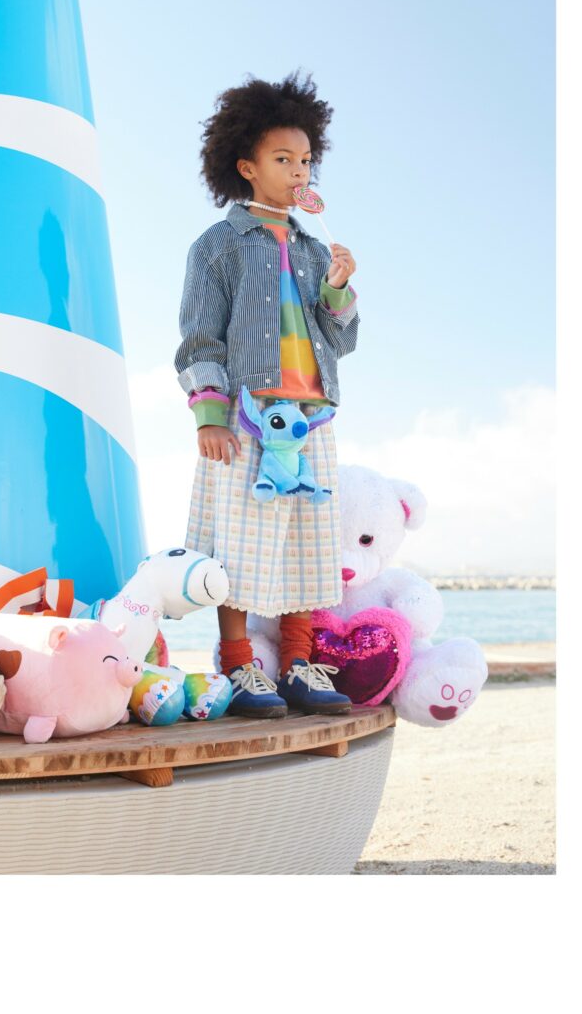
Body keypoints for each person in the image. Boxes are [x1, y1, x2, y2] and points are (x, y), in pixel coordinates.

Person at [176, 71, 362, 719]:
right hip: (246, 415)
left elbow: (340, 339)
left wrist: (337, 288)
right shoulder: (219, 245)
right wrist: (208, 415)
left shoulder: (313, 248)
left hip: (312, 416)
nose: (298, 171)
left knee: (309, 541)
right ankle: (237, 663)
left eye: (306, 160)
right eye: (283, 159)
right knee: (239, 544)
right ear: (246, 166)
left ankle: (299, 663)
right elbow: (199, 334)